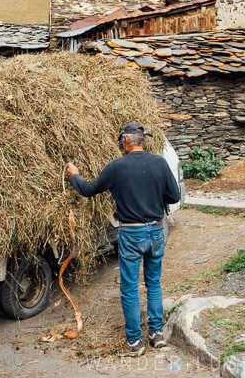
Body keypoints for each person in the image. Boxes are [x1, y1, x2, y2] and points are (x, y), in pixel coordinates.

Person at [65, 121, 181, 357]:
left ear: (126, 141)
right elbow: (174, 195)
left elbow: (87, 190)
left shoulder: (116, 168)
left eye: (120, 141)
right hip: (157, 229)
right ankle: (156, 335)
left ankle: (135, 342)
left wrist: (74, 176)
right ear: (143, 140)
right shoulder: (159, 162)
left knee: (129, 287)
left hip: (132, 232)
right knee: (154, 282)